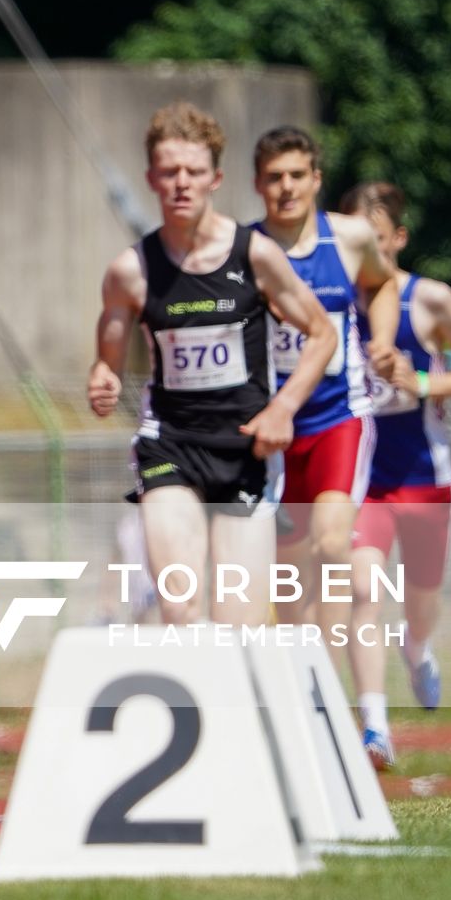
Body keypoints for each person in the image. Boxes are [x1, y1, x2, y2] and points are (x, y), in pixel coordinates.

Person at [89, 103, 338, 629]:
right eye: (170, 171)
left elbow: (323, 333)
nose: (182, 183)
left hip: (245, 448)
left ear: (216, 179)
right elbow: (106, 361)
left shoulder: (256, 255)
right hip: (170, 445)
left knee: (238, 622)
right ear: (151, 177)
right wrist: (103, 378)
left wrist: (283, 409)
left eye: (194, 172)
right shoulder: (130, 271)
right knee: (180, 607)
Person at [250, 127, 401, 763]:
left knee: (334, 544)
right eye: (273, 177)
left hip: (339, 415)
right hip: (274, 428)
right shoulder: (247, 250)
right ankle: (317, 706)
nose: (285, 187)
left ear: (316, 178)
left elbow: (384, 285)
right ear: (260, 185)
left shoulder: (351, 238)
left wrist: (382, 342)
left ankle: (369, 724)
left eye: (296, 175)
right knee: (290, 587)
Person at [341, 182, 451, 748]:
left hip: (425, 478)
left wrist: (424, 381)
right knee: (363, 590)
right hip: (363, 481)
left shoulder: (429, 300)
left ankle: (417, 647)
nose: (367, 258)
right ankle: (375, 724)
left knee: (422, 603)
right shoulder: (333, 301)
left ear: (398, 240)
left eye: (377, 244)